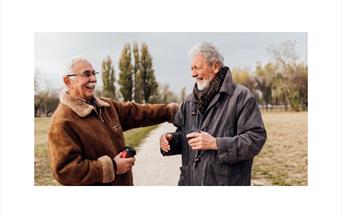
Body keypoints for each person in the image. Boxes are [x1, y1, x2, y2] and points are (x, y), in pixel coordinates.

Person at [48, 57, 178, 185]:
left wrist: (171, 111)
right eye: (86, 74)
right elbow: (65, 171)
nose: (93, 79)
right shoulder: (62, 122)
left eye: (94, 73)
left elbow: (140, 112)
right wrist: (112, 167)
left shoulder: (106, 106)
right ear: (68, 81)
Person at [160, 42, 267, 186]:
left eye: (197, 68)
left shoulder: (241, 97)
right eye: (192, 68)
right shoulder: (189, 101)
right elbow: (183, 136)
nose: (193, 73)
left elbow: (255, 139)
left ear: (215, 66)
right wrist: (171, 140)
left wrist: (216, 143)